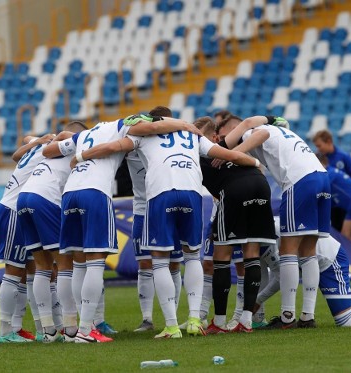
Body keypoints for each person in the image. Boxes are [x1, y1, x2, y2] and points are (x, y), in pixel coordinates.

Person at [76, 115, 261, 339]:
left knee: (160, 261)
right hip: (192, 194)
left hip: (160, 194)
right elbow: (229, 155)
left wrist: (82, 155)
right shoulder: (193, 135)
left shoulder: (142, 134)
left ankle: (171, 326)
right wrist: (255, 162)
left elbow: (114, 146)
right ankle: (194, 319)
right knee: (192, 257)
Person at [43, 114, 199, 343]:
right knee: (96, 263)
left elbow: (49, 151)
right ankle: (87, 331)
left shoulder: (84, 134)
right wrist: (186, 125)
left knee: (77, 264)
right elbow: (155, 126)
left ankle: (71, 329)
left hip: (70, 194)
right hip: (95, 193)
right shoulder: (123, 125)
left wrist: (58, 143)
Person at [217, 115, 330, 329]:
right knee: (308, 250)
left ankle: (287, 316)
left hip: (299, 181)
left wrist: (230, 154)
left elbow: (262, 133)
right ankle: (308, 315)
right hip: (321, 178)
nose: (223, 142)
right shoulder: (283, 133)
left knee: (288, 250)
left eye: (225, 137)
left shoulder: (253, 132)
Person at [195, 116, 277, 333]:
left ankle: (219, 323)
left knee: (221, 258)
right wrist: (253, 160)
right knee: (251, 255)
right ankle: (246, 320)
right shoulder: (221, 147)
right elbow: (252, 126)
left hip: (234, 191)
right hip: (261, 186)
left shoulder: (194, 153)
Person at [16, 122, 88, 343]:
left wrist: (42, 139)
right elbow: (69, 135)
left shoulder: (49, 148)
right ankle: (71, 328)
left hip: (24, 198)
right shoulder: (77, 145)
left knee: (42, 266)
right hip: (45, 199)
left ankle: (47, 330)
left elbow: (25, 139)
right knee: (64, 263)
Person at [128, 106, 187, 333]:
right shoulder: (135, 142)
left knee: (174, 263)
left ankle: (170, 316)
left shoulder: (179, 144)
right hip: (143, 209)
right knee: (145, 263)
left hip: (169, 206)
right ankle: (147, 319)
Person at [0, 133, 55, 343]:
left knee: (31, 269)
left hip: (23, 209)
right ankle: (5, 332)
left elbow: (18, 151)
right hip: (12, 209)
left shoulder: (40, 145)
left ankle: (37, 329)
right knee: (13, 270)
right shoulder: (53, 149)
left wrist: (36, 141)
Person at [313, 129, 351, 244]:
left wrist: (349, 192)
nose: (318, 149)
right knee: (336, 233)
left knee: (350, 233)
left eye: (319, 146)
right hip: (331, 204)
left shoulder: (343, 156)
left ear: (329, 141)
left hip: (345, 203)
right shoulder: (320, 158)